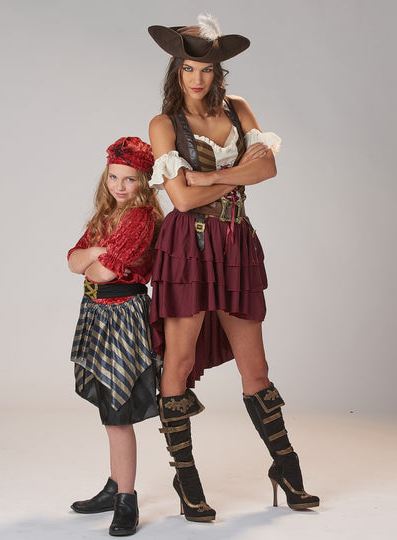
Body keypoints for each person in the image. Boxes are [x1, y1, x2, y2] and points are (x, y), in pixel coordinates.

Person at [147, 14, 319, 522]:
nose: (197, 78)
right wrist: (236, 174)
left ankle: (286, 466)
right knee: (178, 365)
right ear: (176, 71)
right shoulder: (163, 125)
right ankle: (186, 478)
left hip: (236, 243)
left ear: (218, 72)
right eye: (188, 68)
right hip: (187, 248)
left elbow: (269, 167)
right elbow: (179, 201)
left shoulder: (239, 109)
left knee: (256, 369)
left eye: (206, 69)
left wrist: (204, 178)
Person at [67, 136, 163, 536]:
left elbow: (104, 272)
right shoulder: (106, 215)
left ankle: (126, 499)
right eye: (113, 177)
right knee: (110, 408)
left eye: (129, 179)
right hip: (97, 313)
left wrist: (94, 258)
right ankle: (114, 485)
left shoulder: (141, 217)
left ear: (143, 182)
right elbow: (73, 260)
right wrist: (94, 254)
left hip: (123, 316)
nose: (119, 186)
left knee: (119, 411)